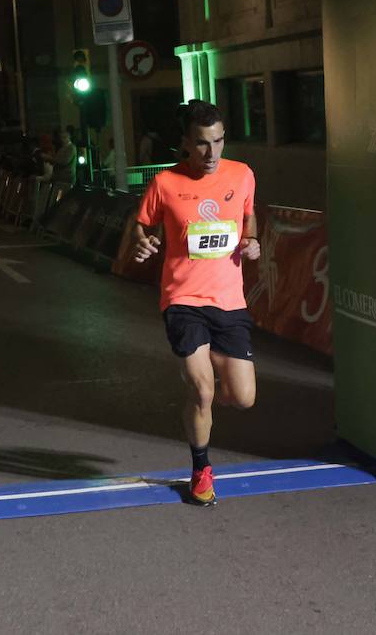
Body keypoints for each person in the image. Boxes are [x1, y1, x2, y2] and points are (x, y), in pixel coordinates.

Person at [133, 100, 261, 506]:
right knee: (204, 391)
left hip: (229, 300)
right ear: (186, 143)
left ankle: (199, 390)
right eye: (203, 144)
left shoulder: (241, 175)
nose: (212, 153)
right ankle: (201, 469)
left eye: (219, 142)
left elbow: (248, 217)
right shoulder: (165, 183)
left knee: (243, 397)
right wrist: (142, 241)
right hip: (183, 298)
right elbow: (142, 225)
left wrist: (253, 241)